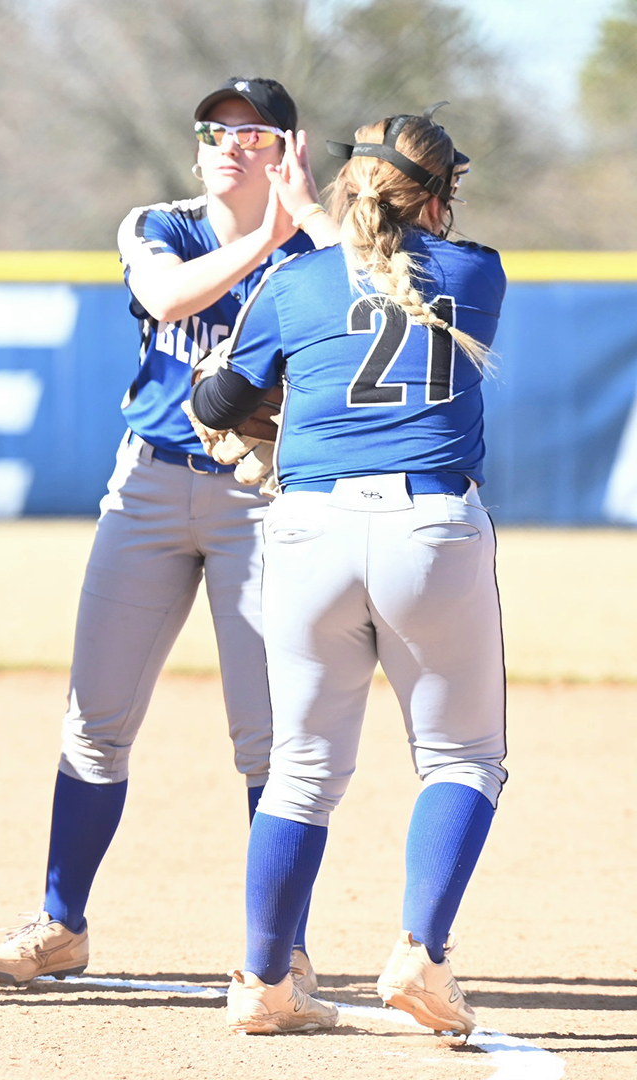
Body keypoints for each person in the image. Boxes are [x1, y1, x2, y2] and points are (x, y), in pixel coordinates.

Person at [0, 77, 340, 988]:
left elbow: (368, 299)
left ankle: (279, 948)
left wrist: (310, 226)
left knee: (268, 738)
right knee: (96, 719)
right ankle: (60, 924)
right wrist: (267, 239)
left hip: (260, 500)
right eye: (216, 129)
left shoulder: (325, 248)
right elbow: (169, 299)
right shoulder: (161, 224)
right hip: (147, 486)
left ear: (290, 150)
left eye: (255, 134)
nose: (230, 144)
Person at [193, 106, 505, 1036]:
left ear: (342, 183)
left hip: (310, 524)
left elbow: (220, 399)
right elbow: (389, 274)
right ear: (442, 196)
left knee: (299, 772)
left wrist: (239, 394)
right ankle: (421, 953)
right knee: (462, 759)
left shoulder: (294, 284)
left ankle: (263, 983)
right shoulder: (478, 272)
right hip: (431, 527)